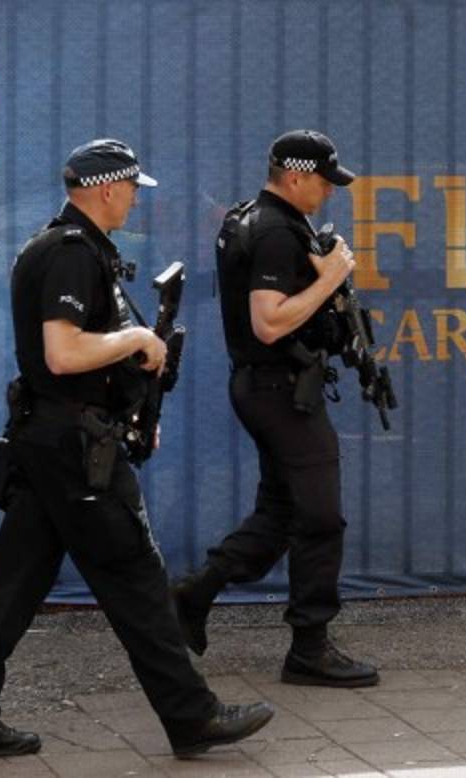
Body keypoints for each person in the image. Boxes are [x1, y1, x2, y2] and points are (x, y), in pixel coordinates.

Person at [0, 138, 274, 759]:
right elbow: (64, 354)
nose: (133, 202)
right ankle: (191, 716)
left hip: (55, 444)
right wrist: (138, 339)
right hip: (75, 452)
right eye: (129, 190)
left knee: (9, 591)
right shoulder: (71, 255)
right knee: (137, 581)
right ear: (104, 189)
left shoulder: (69, 247)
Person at [172, 130, 379, 688]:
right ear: (294, 176)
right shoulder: (273, 232)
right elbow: (267, 322)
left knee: (282, 513)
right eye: (323, 181)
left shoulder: (257, 220)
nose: (329, 193)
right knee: (321, 517)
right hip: (279, 391)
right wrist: (331, 278)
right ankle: (310, 647)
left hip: (272, 389)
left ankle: (192, 594)